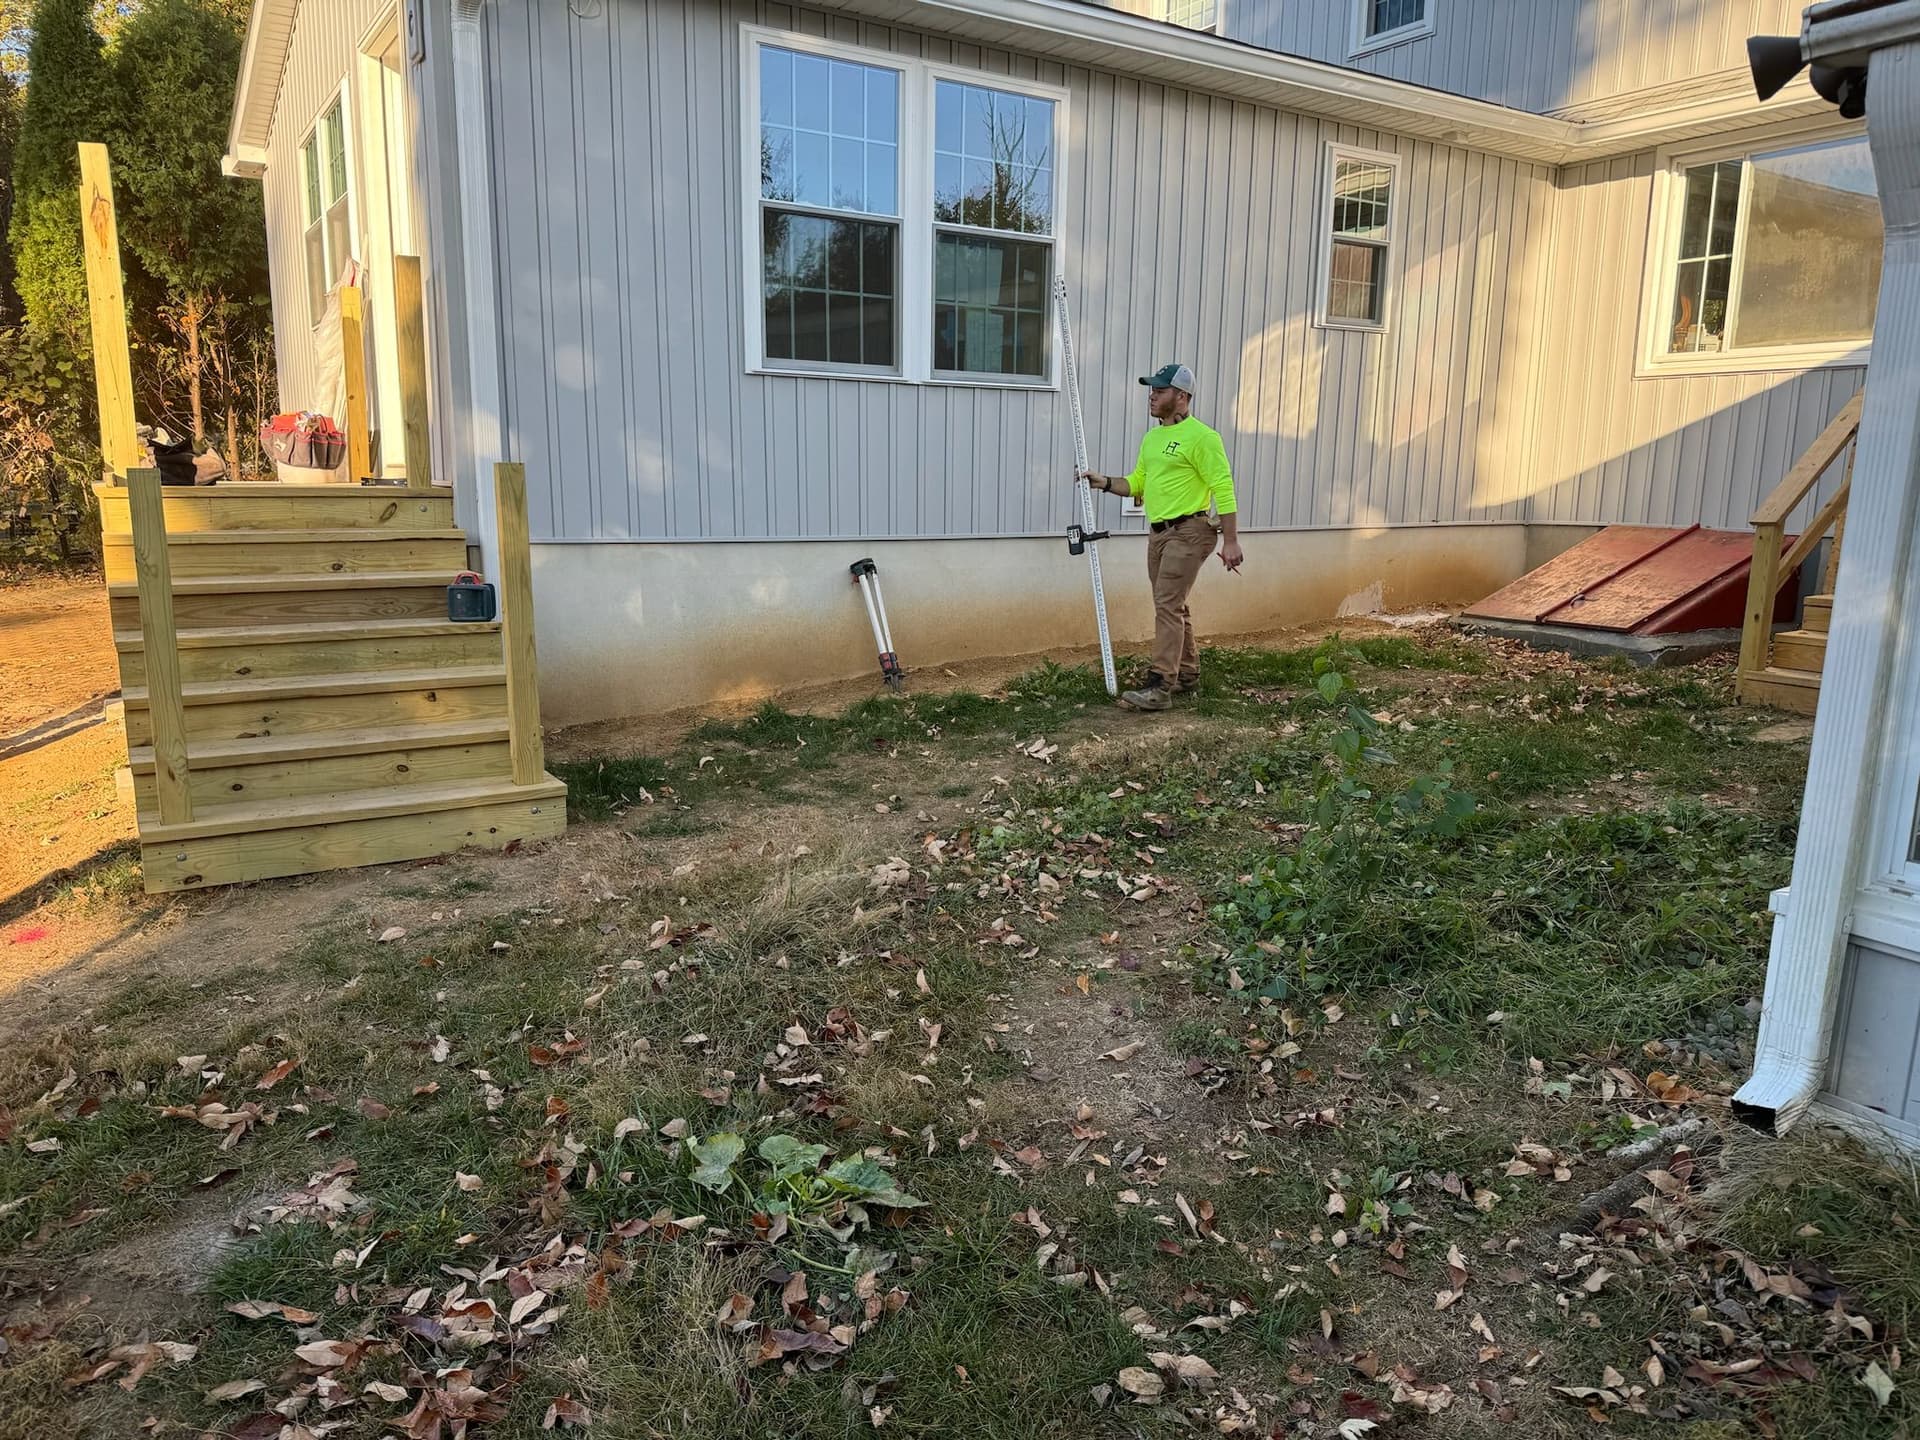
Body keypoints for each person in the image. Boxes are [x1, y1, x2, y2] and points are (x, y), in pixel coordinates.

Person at [1077, 362, 1242, 711]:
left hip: (1191, 531)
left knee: (1167, 604)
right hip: (1159, 534)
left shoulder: (1202, 437)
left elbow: (1223, 487)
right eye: (1151, 390)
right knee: (1172, 604)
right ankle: (1187, 673)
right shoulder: (1152, 438)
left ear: (1181, 397)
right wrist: (1104, 482)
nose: (1151, 396)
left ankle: (1159, 685)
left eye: (1159, 390)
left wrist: (1230, 540)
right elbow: (1137, 482)